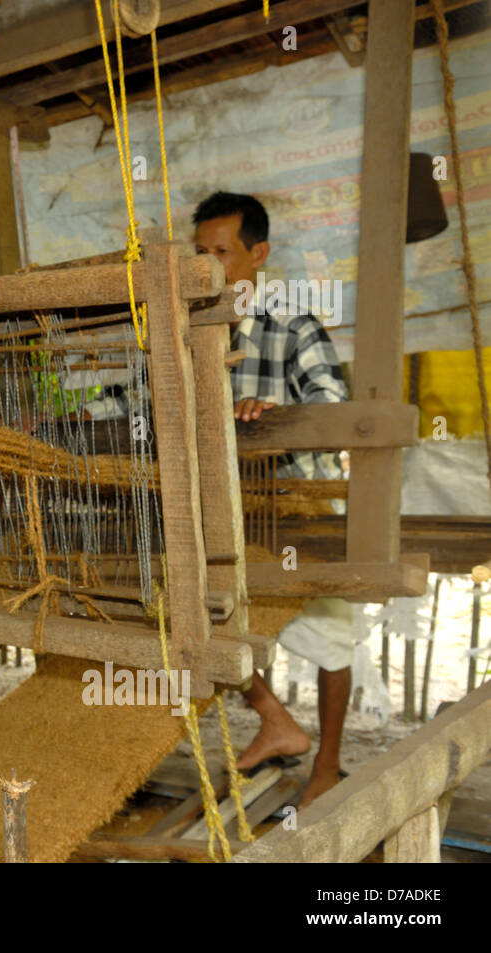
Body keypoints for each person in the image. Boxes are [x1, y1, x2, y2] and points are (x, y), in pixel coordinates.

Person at [192, 190, 351, 807]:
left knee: (332, 641)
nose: (209, 264)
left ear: (258, 253)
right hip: (230, 516)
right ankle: (276, 721)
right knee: (201, 620)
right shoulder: (187, 329)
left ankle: (327, 769)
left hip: (299, 510)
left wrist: (278, 413)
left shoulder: (293, 324)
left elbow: (333, 402)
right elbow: (136, 403)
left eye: (222, 252)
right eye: (201, 251)